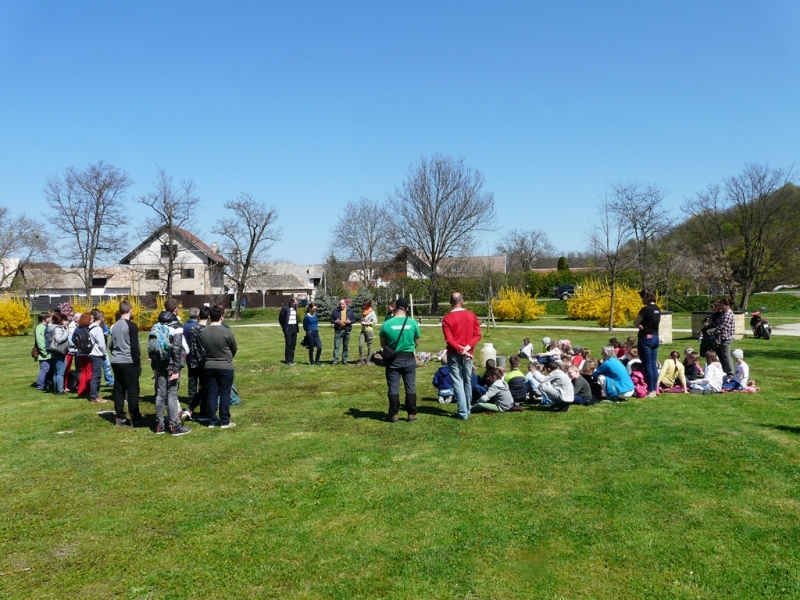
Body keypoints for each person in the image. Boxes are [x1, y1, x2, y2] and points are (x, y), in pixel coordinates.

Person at [151, 299, 191, 435]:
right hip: (171, 363)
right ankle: (175, 425)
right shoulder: (176, 326)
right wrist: (175, 367)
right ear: (176, 310)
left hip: (159, 363)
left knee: (160, 394)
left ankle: (159, 425)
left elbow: (153, 347)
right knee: (172, 394)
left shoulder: (158, 324)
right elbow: (177, 347)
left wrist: (154, 366)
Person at [378, 297, 420, 422]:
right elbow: (416, 341)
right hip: (408, 357)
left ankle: (393, 414)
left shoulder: (386, 324)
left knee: (393, 387)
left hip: (393, 359)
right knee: (410, 387)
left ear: (395, 306)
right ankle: (412, 413)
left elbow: (383, 344)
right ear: (407, 308)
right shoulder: (412, 323)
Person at [441, 292, 482, 420]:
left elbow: (449, 340)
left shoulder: (447, 319)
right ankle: (468, 408)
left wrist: (461, 349)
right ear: (462, 301)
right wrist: (467, 349)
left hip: (454, 353)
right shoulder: (472, 316)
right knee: (467, 381)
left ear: (450, 302)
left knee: (458, 382)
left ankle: (463, 412)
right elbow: (477, 335)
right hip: (467, 353)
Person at [201, 305, 238, 429]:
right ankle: (224, 421)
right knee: (224, 393)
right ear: (221, 317)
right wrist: (228, 356)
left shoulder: (204, 331)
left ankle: (212, 420)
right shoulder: (226, 331)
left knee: (212, 393)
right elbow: (234, 347)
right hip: (225, 365)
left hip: (209, 365)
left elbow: (203, 347)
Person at [109, 300, 143, 426]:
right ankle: (135, 417)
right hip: (128, 361)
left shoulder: (115, 325)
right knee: (133, 391)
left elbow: (111, 345)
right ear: (130, 310)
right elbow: (134, 347)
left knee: (119, 390)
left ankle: (120, 417)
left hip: (116, 361)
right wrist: (137, 364)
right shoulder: (131, 326)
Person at [184, 305, 210, 419]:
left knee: (193, 384)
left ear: (199, 316)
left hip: (193, 360)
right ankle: (201, 410)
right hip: (203, 361)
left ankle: (192, 405)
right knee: (204, 387)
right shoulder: (206, 331)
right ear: (208, 317)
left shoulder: (193, 329)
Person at [634, 288, 661, 397]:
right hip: (655, 336)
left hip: (646, 337)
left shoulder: (645, 309)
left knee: (647, 365)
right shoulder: (657, 309)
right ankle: (654, 388)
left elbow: (636, 323)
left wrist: (640, 326)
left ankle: (651, 389)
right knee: (653, 364)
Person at [87, 310, 109, 403]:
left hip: (91, 353)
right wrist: (104, 352)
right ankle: (94, 396)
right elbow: (101, 344)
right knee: (96, 376)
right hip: (97, 354)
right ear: (100, 318)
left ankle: (95, 395)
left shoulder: (90, 327)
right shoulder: (97, 329)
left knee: (95, 375)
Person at [47, 314, 70, 395]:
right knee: (60, 372)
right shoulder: (58, 329)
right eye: (64, 320)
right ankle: (59, 390)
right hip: (59, 351)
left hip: (54, 351)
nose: (66, 322)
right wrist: (67, 332)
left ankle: (57, 389)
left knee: (56, 372)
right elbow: (59, 339)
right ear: (60, 320)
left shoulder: (50, 327)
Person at [330, 298, 355, 365]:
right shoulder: (335, 311)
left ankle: (344, 360)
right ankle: (335, 360)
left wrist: (350, 322)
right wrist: (335, 321)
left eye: (343, 304)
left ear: (345, 304)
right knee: (336, 346)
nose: (341, 305)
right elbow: (331, 319)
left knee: (345, 346)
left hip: (347, 330)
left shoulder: (350, 311)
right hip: (338, 330)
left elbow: (354, 320)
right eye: (340, 304)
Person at [183, 307, 200, 398]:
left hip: (188, 355)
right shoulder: (199, 326)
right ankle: (200, 398)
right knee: (201, 378)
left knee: (192, 378)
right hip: (198, 355)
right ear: (198, 315)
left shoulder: (184, 326)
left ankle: (192, 397)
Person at [716, 298, 736, 377]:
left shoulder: (728, 314)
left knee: (726, 356)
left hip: (726, 337)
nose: (720, 306)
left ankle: (730, 373)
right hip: (722, 337)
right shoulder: (724, 313)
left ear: (727, 305)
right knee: (722, 355)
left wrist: (713, 332)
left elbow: (722, 326)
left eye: (722, 305)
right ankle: (724, 371)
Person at [278, 297, 299, 365]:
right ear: (291, 302)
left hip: (294, 327)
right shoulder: (285, 308)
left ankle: (292, 359)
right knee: (288, 344)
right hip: (288, 328)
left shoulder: (295, 308)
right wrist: (284, 327)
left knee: (293, 344)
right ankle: (288, 360)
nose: (296, 304)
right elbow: (281, 318)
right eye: (295, 303)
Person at [34, 312, 52, 391]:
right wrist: (44, 351)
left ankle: (45, 384)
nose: (50, 318)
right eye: (48, 317)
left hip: (47, 352)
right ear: (44, 319)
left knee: (47, 368)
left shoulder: (45, 326)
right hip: (44, 353)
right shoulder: (40, 327)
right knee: (44, 368)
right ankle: (40, 385)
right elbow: (40, 341)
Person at [356, 300, 378, 365]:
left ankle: (369, 359)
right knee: (360, 345)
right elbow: (362, 319)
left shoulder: (372, 312)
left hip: (369, 330)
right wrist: (362, 322)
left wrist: (367, 323)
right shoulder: (364, 311)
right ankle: (361, 359)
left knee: (369, 345)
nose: (363, 305)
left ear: (368, 305)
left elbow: (375, 321)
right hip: (362, 331)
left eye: (365, 304)